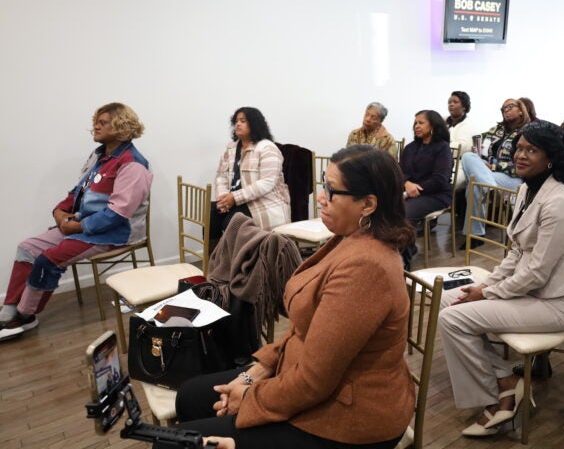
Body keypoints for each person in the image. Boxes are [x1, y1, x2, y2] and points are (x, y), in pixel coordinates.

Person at [167, 146, 416, 449]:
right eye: (324, 185)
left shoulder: (366, 267)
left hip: (351, 414)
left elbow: (314, 382)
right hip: (318, 379)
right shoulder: (349, 239)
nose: (321, 197)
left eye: (331, 190)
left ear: (367, 204)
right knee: (190, 395)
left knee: (175, 442)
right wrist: (254, 373)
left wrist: (250, 398)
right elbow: (306, 329)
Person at [437, 121, 564, 438]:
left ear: (551, 158)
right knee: (449, 302)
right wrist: (485, 287)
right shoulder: (526, 189)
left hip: (555, 302)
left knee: (453, 320)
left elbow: (538, 273)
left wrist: (489, 294)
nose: (520, 155)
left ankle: (501, 393)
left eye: (531, 150)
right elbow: (517, 253)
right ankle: (507, 380)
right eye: (519, 147)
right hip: (531, 293)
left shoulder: (559, 202)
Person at [0, 103, 152, 342]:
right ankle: (8, 310)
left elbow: (118, 214)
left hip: (114, 233)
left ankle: (25, 316)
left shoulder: (132, 164)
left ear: (122, 126)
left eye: (103, 122)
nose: (95, 126)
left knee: (48, 258)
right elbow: (77, 192)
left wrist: (77, 227)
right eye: (96, 121)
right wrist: (60, 212)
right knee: (27, 247)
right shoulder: (99, 156)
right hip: (83, 224)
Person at [212, 107, 291, 240]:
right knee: (211, 217)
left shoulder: (267, 148)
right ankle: (215, 259)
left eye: (243, 121)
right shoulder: (231, 148)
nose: (237, 124)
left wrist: (234, 198)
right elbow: (221, 175)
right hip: (236, 201)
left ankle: (238, 259)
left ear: (254, 124)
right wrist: (223, 197)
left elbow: (266, 183)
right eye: (236, 121)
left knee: (232, 223)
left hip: (263, 203)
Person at [460, 99, 528, 248]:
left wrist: (493, 166)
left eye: (510, 107)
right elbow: (480, 148)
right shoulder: (495, 130)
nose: (506, 110)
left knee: (474, 185)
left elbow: (522, 164)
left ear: (521, 110)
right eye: (503, 108)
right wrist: (477, 152)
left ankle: (475, 235)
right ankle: (488, 188)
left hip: (513, 177)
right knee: (467, 157)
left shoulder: (527, 132)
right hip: (489, 175)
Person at [400, 110, 453, 222]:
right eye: (415, 123)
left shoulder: (443, 148)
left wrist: (414, 189)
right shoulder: (410, 147)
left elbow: (440, 179)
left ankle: (404, 239)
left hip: (435, 194)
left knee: (402, 211)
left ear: (433, 125)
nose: (416, 126)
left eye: (421, 123)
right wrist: (406, 183)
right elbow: (398, 171)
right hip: (408, 191)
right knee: (380, 204)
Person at [446, 91, 476, 188]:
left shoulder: (468, 125)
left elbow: (463, 147)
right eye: (449, 102)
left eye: (455, 102)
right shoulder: (444, 121)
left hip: (460, 165)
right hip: (441, 161)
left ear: (464, 106)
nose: (451, 104)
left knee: (447, 183)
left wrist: (441, 145)